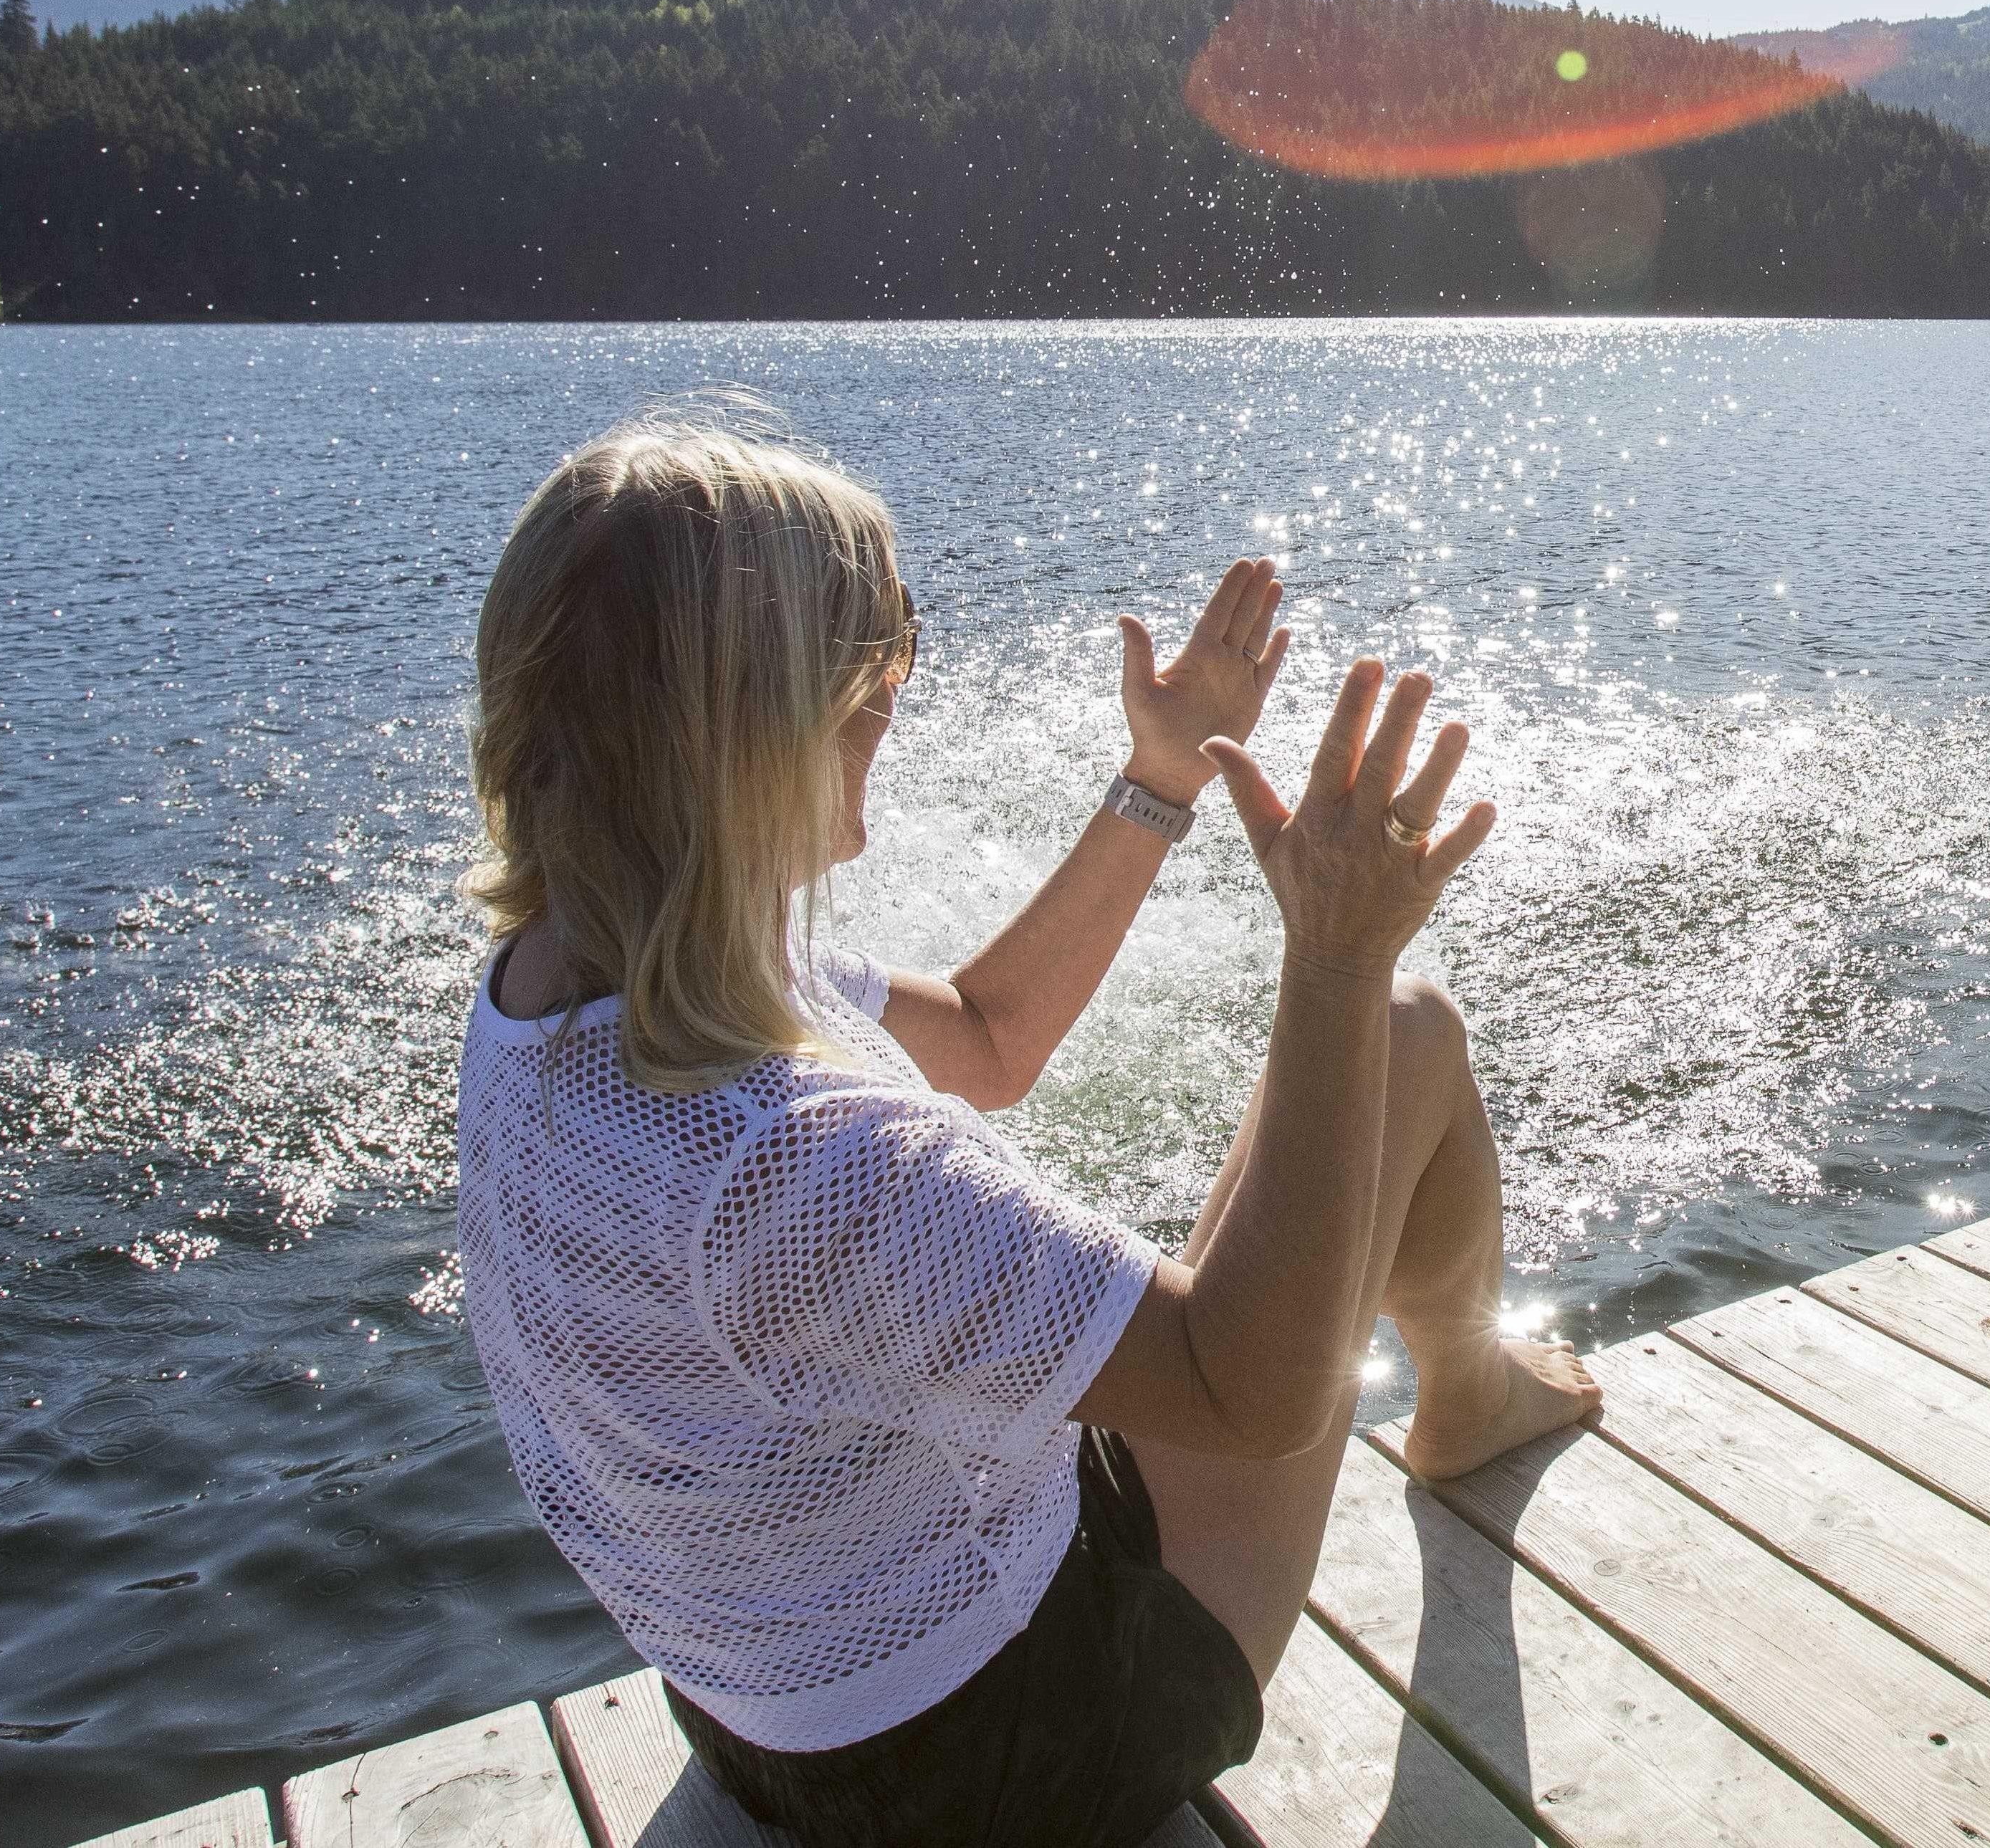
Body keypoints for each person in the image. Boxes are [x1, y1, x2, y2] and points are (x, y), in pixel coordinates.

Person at [451, 408, 1597, 1847]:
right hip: (1003, 1744)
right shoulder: (785, 1152)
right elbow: (1255, 1388)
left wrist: (1161, 771)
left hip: (775, 1701)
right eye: (862, 714)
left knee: (1386, 1042)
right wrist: (1334, 953)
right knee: (1403, 1028)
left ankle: (1471, 1373)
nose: (873, 778)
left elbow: (991, 1036)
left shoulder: (557, 997)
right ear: (736, 741)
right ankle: (1472, 1390)